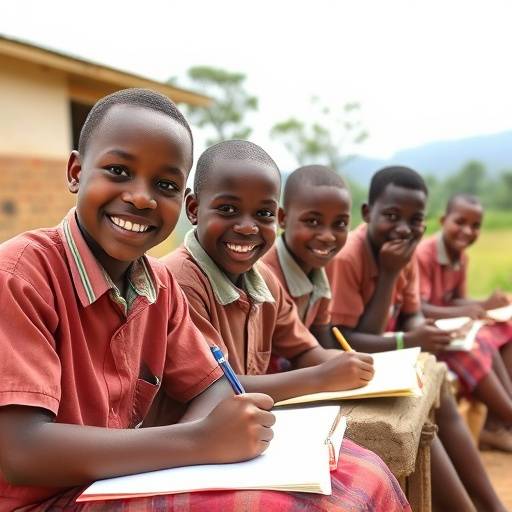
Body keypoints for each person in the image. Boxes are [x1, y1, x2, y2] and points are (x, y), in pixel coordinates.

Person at [0, 89, 278, 511]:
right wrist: (196, 443)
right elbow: (21, 451)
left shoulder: (159, 286)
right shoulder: (21, 276)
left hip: (115, 487)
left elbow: (215, 384)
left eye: (165, 184)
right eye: (118, 170)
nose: (143, 197)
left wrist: (189, 460)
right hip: (35, 503)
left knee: (353, 470)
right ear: (76, 172)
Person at [163, 141, 411, 511]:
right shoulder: (179, 281)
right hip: (197, 447)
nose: (247, 227)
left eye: (262, 213)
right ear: (195, 209)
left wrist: (345, 365)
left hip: (253, 432)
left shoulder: (262, 277)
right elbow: (216, 387)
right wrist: (322, 378)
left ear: (275, 217)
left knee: (371, 474)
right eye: (228, 209)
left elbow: (303, 348)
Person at [327, 166, 507, 512]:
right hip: (352, 361)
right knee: (419, 410)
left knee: (436, 385)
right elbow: (349, 340)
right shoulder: (349, 257)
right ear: (367, 213)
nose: (404, 228)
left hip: (386, 355)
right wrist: (391, 276)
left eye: (415, 220)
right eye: (392, 216)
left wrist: (422, 332)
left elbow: (412, 313)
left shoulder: (404, 250)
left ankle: (490, 503)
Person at [262, 164, 350, 349]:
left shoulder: (316, 270)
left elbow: (322, 339)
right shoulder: (264, 276)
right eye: (313, 221)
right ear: (283, 218)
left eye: (340, 223)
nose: (328, 236)